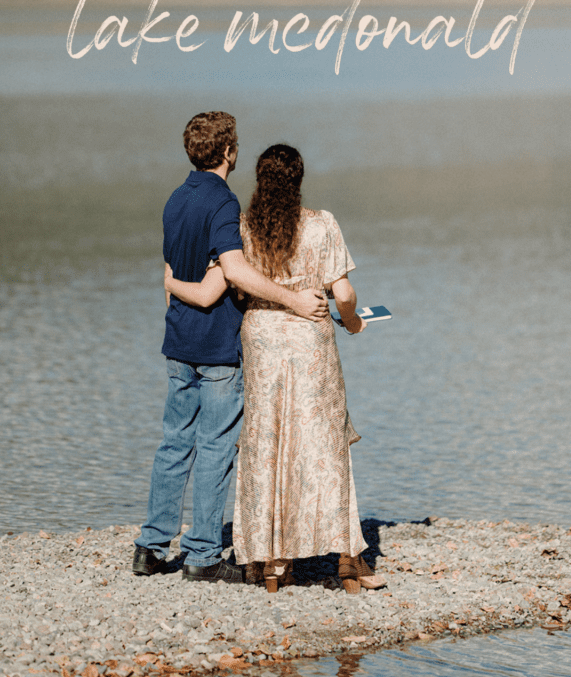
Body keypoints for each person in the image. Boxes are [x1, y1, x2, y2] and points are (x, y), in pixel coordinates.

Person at [166, 143, 387, 594]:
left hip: (263, 338)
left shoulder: (242, 226)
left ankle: (270, 561)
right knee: (324, 440)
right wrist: (355, 323)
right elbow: (342, 292)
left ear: (260, 181)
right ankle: (345, 556)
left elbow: (229, 281)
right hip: (310, 339)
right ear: (299, 180)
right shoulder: (321, 224)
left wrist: (170, 281)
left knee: (266, 441)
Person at [133, 114, 328, 585]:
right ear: (229, 152)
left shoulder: (175, 199)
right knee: (216, 447)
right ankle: (201, 554)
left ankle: (151, 547)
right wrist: (295, 301)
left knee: (173, 443)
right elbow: (235, 271)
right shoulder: (224, 202)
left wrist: (178, 301)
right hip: (216, 347)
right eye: (235, 145)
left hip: (178, 341)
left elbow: (169, 273)